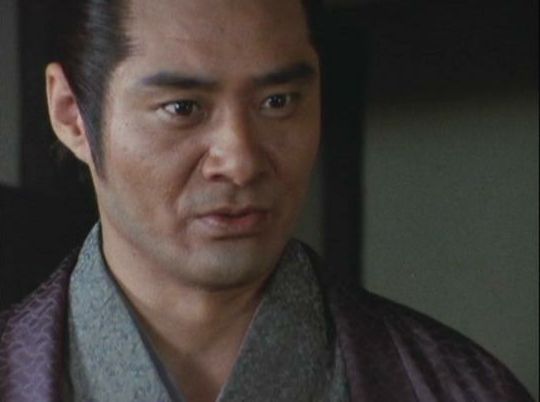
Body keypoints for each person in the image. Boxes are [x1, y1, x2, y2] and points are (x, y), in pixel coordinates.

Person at [0, 1, 533, 401]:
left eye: (278, 102)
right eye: (183, 108)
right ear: (71, 114)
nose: (240, 161)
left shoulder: (461, 389)